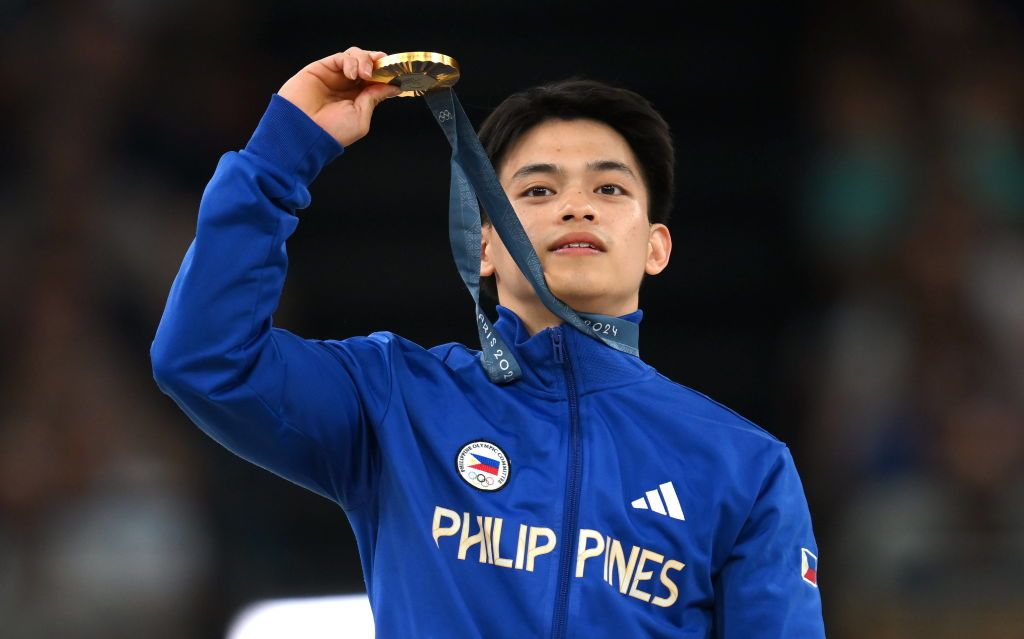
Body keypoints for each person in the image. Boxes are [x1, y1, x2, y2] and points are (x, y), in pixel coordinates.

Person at [150, 47, 826, 638]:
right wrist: (280, 154)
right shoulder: (396, 402)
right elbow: (206, 357)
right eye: (537, 189)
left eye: (610, 187)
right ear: (482, 247)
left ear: (656, 247)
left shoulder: (744, 465)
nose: (576, 205)